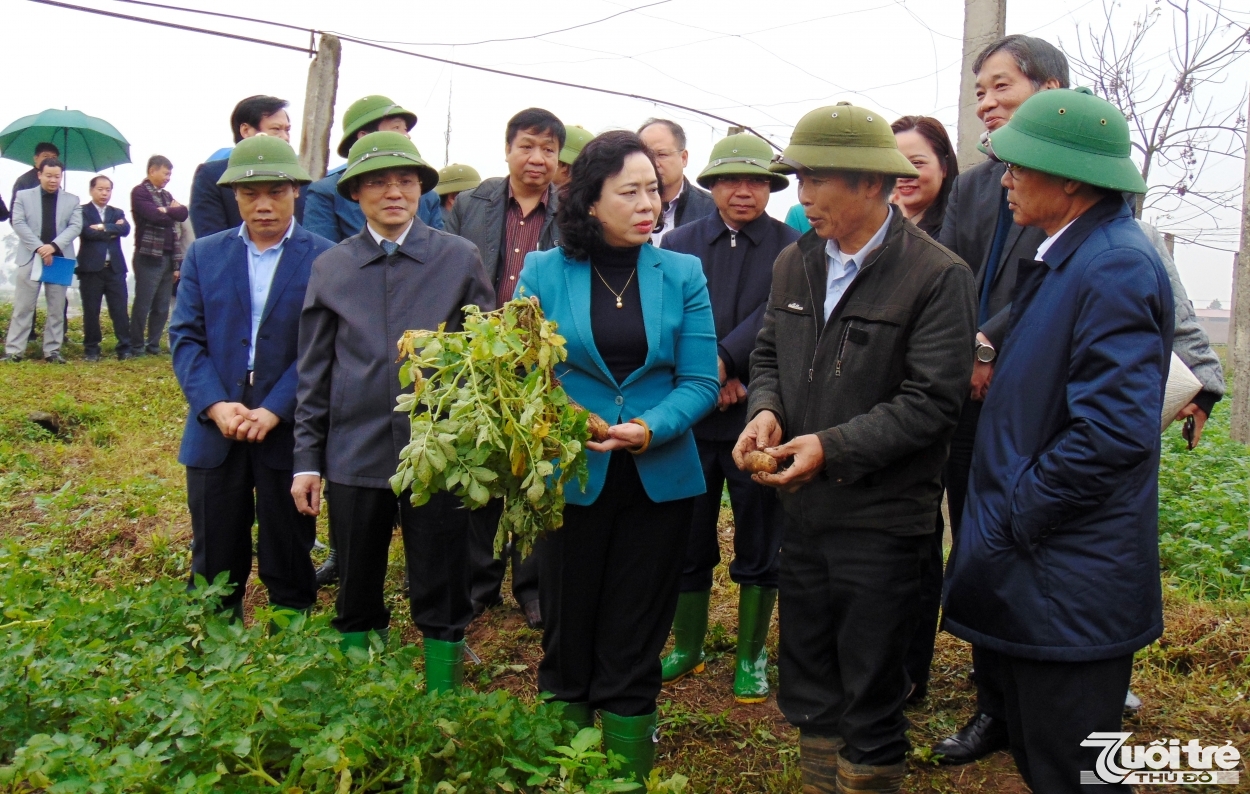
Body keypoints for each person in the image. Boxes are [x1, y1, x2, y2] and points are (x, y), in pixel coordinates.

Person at [931, 33, 1225, 765]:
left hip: (1066, 570)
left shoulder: (1114, 267)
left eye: (1019, 166)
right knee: (1045, 755)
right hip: (1046, 567)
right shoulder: (1066, 254)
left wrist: (1014, 515)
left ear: (1068, 178)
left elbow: (1112, 434)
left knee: (1074, 769)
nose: (1004, 179)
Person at [735, 103, 976, 794]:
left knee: (872, 691)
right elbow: (769, 356)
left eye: (817, 177)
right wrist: (767, 413)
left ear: (873, 183)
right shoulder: (797, 261)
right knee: (811, 680)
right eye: (799, 177)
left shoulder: (936, 275)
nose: (802, 194)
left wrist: (830, 447)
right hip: (806, 516)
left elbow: (932, 403)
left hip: (883, 525)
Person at [517, 129, 719, 784]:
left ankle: (626, 771)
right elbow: (524, 374)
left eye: (653, 190)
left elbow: (701, 381)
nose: (647, 204)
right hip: (572, 474)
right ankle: (565, 772)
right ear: (590, 202)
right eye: (628, 191)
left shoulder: (681, 272)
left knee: (635, 637)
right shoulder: (544, 272)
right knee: (566, 634)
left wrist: (650, 428)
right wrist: (571, 420)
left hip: (658, 479)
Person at [291, 131, 494, 693]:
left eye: (405, 181)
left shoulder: (457, 258)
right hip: (354, 450)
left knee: (442, 573)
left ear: (421, 190)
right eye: (377, 182)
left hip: (438, 449)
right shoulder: (333, 267)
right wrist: (307, 460)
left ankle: (442, 689)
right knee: (356, 577)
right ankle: (361, 686)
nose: (393, 192)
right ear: (355, 193)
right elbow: (314, 373)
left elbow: (487, 352)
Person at [169, 135, 334, 626]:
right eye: (249, 192)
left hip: (287, 430)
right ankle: (220, 648)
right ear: (234, 195)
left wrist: (276, 407)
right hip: (214, 429)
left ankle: (291, 647)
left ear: (296, 192)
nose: (263, 205)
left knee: (288, 547)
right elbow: (186, 338)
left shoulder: (325, 259)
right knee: (215, 551)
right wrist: (216, 405)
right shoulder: (205, 254)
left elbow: (320, 347)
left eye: (276, 192)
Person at [658, 133, 799, 703]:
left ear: (770, 186)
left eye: (757, 181)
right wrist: (705, 367)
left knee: (760, 533)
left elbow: (780, 314)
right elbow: (672, 312)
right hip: (693, 415)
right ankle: (687, 647)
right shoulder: (679, 242)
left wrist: (730, 362)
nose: (744, 191)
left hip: (759, 414)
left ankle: (751, 654)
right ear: (711, 185)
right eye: (731, 180)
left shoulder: (794, 249)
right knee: (689, 533)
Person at [446, 107, 565, 628]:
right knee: (484, 466)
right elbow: (448, 271)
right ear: (508, 149)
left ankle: (533, 586)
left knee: (536, 472)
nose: (537, 158)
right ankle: (479, 580)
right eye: (527, 146)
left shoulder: (572, 209)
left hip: (543, 361)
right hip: (481, 358)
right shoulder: (471, 205)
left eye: (548, 149)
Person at [886, 114, 961, 705]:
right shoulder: (871, 233)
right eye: (897, 163)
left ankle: (914, 667)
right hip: (877, 405)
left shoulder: (955, 233)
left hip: (942, 400)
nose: (907, 175)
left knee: (925, 533)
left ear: (944, 165)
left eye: (920, 162)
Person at [303, 95, 443, 246]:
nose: (407, 136)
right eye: (396, 128)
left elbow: (439, 250)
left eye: (406, 182)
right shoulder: (327, 192)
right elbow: (321, 253)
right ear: (363, 137)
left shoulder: (428, 196)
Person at [189, 96, 305, 237]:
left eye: (287, 130)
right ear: (246, 131)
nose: (285, 137)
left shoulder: (296, 175)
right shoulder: (213, 175)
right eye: (276, 129)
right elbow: (210, 238)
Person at [3, 158, 82, 364]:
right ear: (39, 174)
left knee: (56, 308)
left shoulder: (72, 200)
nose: (53, 180)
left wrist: (53, 246)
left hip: (59, 259)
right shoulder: (23, 196)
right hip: (30, 256)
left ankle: (52, 351)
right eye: (49, 175)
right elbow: (18, 222)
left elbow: (75, 227)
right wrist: (39, 247)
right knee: (23, 307)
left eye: (57, 176)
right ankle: (14, 351)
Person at [129, 155, 188, 356]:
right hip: (148, 255)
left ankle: (153, 345)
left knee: (162, 305)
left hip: (169, 256)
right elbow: (154, 216)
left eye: (170, 174)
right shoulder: (140, 192)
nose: (168, 178)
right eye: (165, 173)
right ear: (152, 171)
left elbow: (183, 214)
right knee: (143, 303)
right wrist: (168, 212)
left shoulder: (165, 195)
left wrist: (166, 210)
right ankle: (136, 346)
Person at [77, 175, 133, 361]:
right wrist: (110, 230)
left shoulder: (117, 212)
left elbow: (125, 230)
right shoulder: (82, 211)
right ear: (91, 190)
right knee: (91, 311)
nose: (104, 193)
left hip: (114, 268)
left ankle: (124, 347)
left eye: (107, 189)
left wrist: (101, 227)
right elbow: (86, 232)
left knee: (119, 310)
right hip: (91, 269)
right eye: (100, 189)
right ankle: (92, 349)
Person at [638, 118, 716, 244]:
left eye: (661, 155)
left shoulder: (712, 210)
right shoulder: (625, 207)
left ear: (684, 158)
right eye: (646, 156)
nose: (653, 163)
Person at [890, 116, 959, 238]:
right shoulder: (869, 225)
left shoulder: (960, 229)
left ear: (945, 167)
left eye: (917, 163)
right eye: (895, 163)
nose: (903, 175)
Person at [10, 142, 60, 215]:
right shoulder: (24, 181)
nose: (50, 160)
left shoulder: (56, 182)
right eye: (46, 156)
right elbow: (14, 214)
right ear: (36, 158)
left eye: (54, 157)